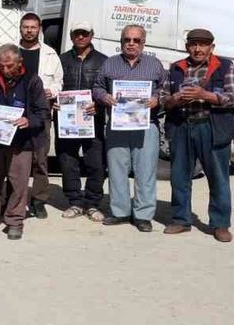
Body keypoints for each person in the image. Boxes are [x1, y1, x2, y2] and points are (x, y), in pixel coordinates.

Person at [164, 28, 234, 243]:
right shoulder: (176, 68)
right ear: (187, 46)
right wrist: (176, 98)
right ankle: (181, 219)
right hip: (182, 126)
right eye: (193, 44)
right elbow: (163, 99)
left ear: (211, 47)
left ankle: (220, 224)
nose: (198, 49)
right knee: (179, 177)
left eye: (203, 44)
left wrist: (204, 95)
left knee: (218, 178)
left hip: (212, 127)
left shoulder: (225, 65)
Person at [93, 24, 168, 233]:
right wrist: (104, 96)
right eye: (127, 40)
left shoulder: (154, 64)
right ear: (121, 42)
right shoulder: (110, 63)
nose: (131, 44)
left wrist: (157, 98)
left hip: (146, 126)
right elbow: (97, 87)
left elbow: (166, 88)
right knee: (117, 170)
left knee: (145, 172)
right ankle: (120, 212)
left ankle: (143, 215)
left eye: (136, 40)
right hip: (117, 125)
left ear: (143, 43)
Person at [0, 44, 48, 240]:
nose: (5, 69)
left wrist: (29, 120)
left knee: (18, 184)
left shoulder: (32, 80)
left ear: (19, 62)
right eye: (2, 65)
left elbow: (43, 111)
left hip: (21, 142)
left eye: (9, 65)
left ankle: (15, 222)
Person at [55, 22, 108, 221]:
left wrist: (99, 105)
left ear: (91, 35)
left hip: (93, 120)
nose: (80, 37)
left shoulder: (104, 61)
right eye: (77, 34)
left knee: (96, 163)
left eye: (84, 33)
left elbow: (108, 90)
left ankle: (92, 204)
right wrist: (54, 102)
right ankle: (75, 202)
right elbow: (54, 85)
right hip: (66, 121)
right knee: (68, 162)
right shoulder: (61, 60)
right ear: (71, 36)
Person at [17, 12, 63, 219]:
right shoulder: (11, 50)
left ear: (39, 29)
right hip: (15, 112)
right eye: (26, 27)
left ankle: (38, 200)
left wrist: (51, 91)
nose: (29, 31)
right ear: (20, 28)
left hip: (41, 112)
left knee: (40, 159)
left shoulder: (51, 54)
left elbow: (59, 82)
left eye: (33, 27)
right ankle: (13, 197)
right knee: (13, 159)